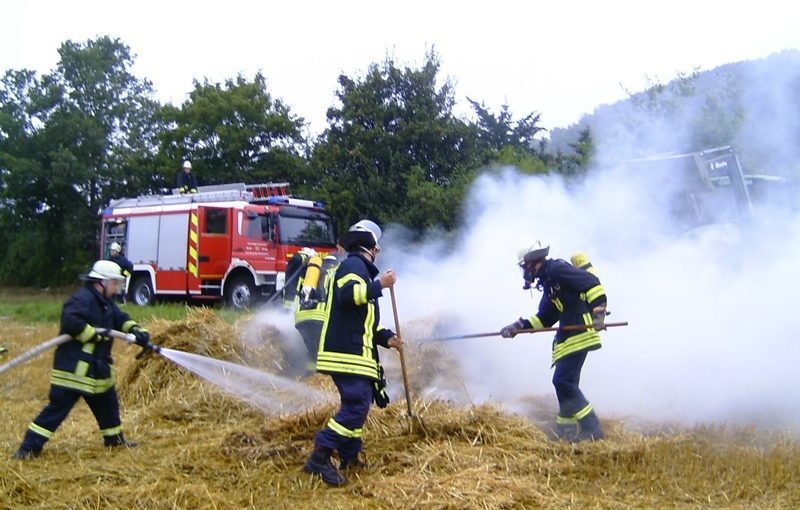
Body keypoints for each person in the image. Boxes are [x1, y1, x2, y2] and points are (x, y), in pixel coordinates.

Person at [11, 260, 154, 459]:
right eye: (114, 283)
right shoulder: (82, 299)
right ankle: (28, 449)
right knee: (57, 411)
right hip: (74, 371)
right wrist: (95, 335)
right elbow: (71, 321)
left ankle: (114, 440)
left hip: (98, 369)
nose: (116, 288)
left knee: (108, 406)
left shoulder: (106, 303)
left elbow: (120, 319)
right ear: (101, 282)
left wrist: (137, 331)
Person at [303, 219, 402, 486]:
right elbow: (348, 296)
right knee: (356, 405)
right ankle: (320, 456)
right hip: (347, 355)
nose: (377, 253)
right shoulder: (354, 266)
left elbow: (364, 322)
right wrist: (380, 285)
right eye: (376, 248)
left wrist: (387, 338)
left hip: (354, 354)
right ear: (369, 247)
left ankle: (349, 455)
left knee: (358, 405)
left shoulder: (360, 270)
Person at [501, 240, 608, 442]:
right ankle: (565, 429)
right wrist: (518, 327)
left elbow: (592, 283)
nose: (525, 271)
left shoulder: (557, 269)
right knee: (564, 383)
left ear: (532, 261)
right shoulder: (549, 282)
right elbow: (545, 318)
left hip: (580, 331)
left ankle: (592, 428)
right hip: (568, 337)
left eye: (524, 266)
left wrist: (598, 313)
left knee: (563, 381)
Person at [294, 253, 339, 370]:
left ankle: (308, 374)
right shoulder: (335, 273)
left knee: (312, 350)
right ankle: (317, 375)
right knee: (321, 351)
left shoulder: (310, 273)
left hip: (301, 318)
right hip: (320, 317)